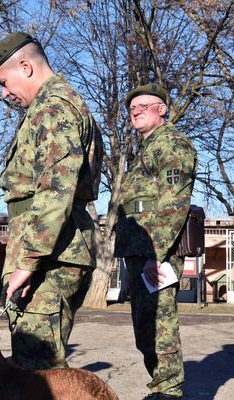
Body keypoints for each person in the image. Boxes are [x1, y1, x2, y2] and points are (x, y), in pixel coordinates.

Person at [0, 32, 102, 370]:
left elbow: (55, 190)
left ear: (25, 66)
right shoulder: (55, 105)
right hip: (54, 247)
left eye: (4, 82)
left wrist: (27, 260)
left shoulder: (53, 107)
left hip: (49, 253)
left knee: (37, 371)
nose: (4, 93)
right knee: (37, 367)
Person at [114, 83, 196, 400]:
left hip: (155, 250)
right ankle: (161, 384)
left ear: (161, 109)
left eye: (143, 105)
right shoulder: (145, 151)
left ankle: (169, 391)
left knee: (160, 323)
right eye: (131, 107)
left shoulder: (173, 144)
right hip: (137, 248)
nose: (135, 110)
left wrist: (157, 254)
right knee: (144, 326)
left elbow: (175, 202)